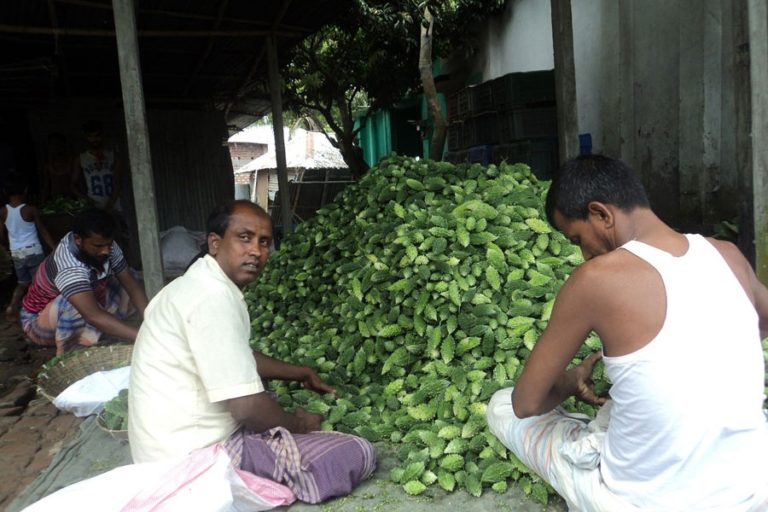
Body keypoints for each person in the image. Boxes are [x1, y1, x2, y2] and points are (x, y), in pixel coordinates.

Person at [486, 155, 768, 511]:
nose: (583, 254)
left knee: (500, 406)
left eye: (577, 238)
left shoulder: (595, 279)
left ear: (601, 214)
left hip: (643, 503)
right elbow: (764, 320)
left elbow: (525, 403)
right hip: (753, 491)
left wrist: (574, 381)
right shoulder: (727, 254)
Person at [129, 200, 375, 501]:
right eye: (244, 238)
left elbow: (234, 357)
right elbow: (245, 408)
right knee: (354, 451)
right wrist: (297, 424)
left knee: (266, 398)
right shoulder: (211, 299)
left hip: (161, 447)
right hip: (191, 460)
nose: (256, 251)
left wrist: (299, 373)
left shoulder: (193, 285)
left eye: (265, 242)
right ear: (215, 243)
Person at [20, 208, 147, 355]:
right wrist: (144, 337)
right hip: (37, 323)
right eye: (98, 246)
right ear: (78, 239)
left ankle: (108, 327)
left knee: (133, 277)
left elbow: (131, 285)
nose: (106, 251)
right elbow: (92, 315)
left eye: (109, 244)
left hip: (88, 304)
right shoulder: (68, 265)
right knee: (74, 305)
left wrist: (150, 321)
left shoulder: (105, 244)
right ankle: (74, 351)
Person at [0, 174, 57, 319]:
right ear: (25, 191)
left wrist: (7, 248)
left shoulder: (3, 211)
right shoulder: (30, 210)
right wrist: (54, 247)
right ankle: (39, 311)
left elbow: (2, 234)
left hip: (17, 253)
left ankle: (12, 305)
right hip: (33, 251)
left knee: (22, 283)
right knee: (39, 283)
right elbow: (43, 231)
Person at [71, 120, 122, 210]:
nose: (94, 139)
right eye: (91, 136)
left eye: (97, 136)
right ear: (86, 138)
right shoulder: (80, 159)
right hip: (93, 205)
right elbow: (73, 184)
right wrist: (86, 199)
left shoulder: (113, 156)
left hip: (114, 205)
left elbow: (117, 182)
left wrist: (110, 205)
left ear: (102, 136)